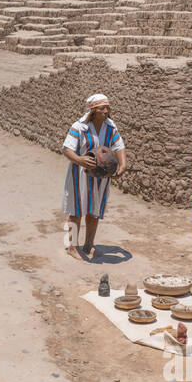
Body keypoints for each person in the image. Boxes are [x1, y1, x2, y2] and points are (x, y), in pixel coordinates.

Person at [61, 94, 127, 260]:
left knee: (94, 211)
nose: (106, 111)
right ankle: (72, 246)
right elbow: (66, 148)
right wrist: (80, 159)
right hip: (80, 175)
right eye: (102, 108)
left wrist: (122, 164)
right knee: (76, 210)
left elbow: (119, 145)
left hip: (100, 177)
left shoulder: (110, 127)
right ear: (93, 111)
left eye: (107, 108)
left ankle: (89, 244)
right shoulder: (79, 127)